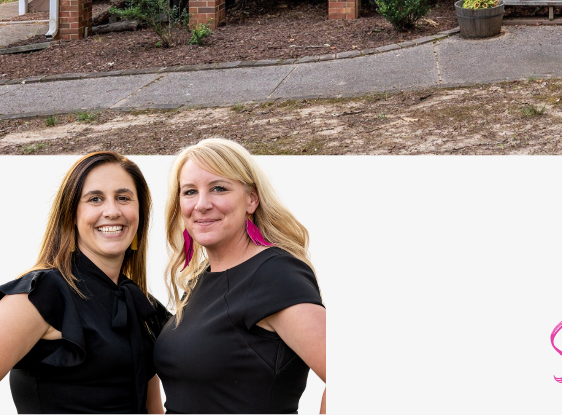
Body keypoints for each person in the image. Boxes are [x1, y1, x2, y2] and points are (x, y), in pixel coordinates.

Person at [154, 139, 325, 414]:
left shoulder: (275, 274)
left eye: (218, 188)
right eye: (189, 192)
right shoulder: (200, 278)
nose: (201, 204)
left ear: (251, 199)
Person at [0, 152, 168, 413]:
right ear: (71, 214)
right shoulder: (42, 293)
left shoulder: (142, 305)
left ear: (140, 213)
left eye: (123, 198)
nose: (112, 211)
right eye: (95, 199)